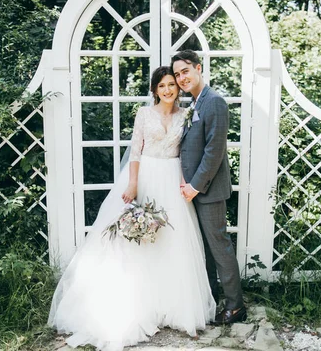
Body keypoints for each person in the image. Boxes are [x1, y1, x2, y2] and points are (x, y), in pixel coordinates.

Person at [48, 66, 216, 351]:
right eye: (161, 86)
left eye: (172, 85)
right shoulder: (143, 114)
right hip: (146, 176)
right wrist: (133, 183)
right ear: (154, 90)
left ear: (178, 89)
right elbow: (135, 151)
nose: (167, 90)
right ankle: (135, 303)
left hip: (172, 180)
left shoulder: (186, 116)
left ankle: (172, 306)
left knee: (173, 242)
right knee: (134, 242)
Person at [172, 50, 247, 325]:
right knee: (204, 249)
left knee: (220, 247)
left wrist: (195, 186)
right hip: (193, 190)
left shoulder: (214, 102)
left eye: (185, 71)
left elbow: (214, 151)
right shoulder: (195, 103)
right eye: (177, 74)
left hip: (209, 190)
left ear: (198, 68)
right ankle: (211, 300)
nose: (181, 78)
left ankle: (236, 306)